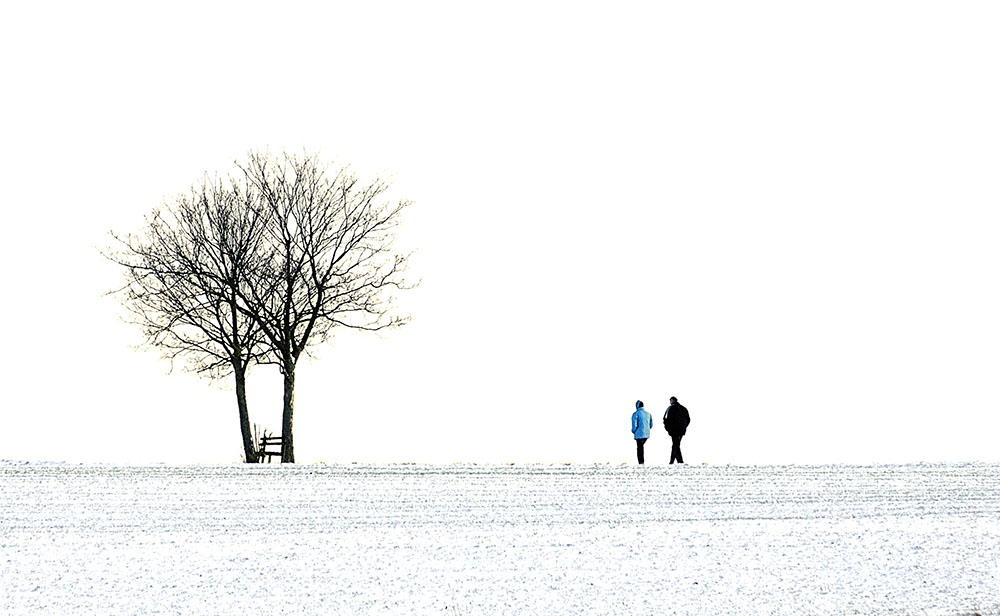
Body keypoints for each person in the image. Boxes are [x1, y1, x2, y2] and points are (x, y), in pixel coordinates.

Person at [662, 396, 690, 464]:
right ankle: (674, 461)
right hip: (681, 430)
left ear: (672, 401)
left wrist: (668, 429)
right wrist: (684, 427)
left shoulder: (670, 408)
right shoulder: (684, 409)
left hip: (674, 431)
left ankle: (679, 461)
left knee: (675, 445)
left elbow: (665, 419)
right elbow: (688, 419)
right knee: (676, 445)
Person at [631, 400, 653, 464]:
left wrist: (633, 431)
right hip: (646, 434)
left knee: (639, 448)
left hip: (639, 433)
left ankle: (641, 462)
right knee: (641, 447)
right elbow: (651, 425)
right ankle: (641, 462)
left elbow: (634, 424)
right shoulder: (648, 414)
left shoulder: (636, 414)